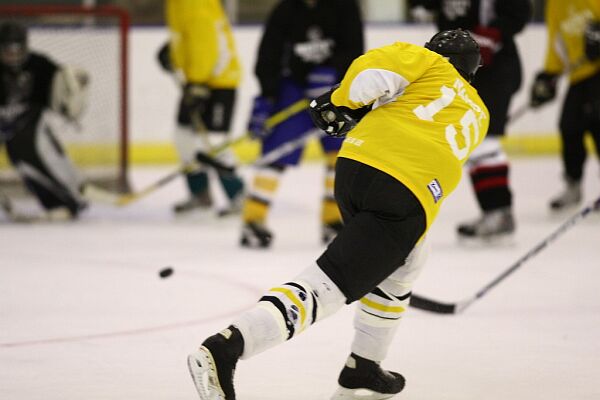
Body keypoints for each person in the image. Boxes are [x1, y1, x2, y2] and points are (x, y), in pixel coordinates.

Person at [186, 30, 488, 399]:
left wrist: (338, 102)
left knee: (407, 261)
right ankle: (227, 347)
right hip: (405, 193)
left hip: (356, 168)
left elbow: (371, 73)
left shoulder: (424, 61)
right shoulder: (478, 112)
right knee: (330, 283)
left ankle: (364, 365)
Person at [240, 0, 364, 248]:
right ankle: (253, 219)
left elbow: (355, 49)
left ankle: (333, 220)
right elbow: (268, 55)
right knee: (275, 152)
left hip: (333, 88)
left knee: (340, 154)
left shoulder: (345, 6)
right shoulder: (285, 9)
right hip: (292, 88)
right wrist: (268, 95)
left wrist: (335, 73)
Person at [409, 0, 531, 239]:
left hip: (494, 70)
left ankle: (499, 212)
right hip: (459, 68)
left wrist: (492, 33)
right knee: (475, 144)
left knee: (485, 143)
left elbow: (519, 12)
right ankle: (495, 212)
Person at [161, 0, 245, 215]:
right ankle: (200, 194)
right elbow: (187, 35)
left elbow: (206, 41)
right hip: (197, 80)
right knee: (184, 137)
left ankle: (239, 195)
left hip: (219, 81)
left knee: (214, 142)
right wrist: (174, 53)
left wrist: (197, 83)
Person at [0, 21, 89, 220]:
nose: (13, 57)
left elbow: (65, 84)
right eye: (8, 51)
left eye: (17, 50)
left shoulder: (40, 65)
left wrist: (73, 95)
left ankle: (64, 197)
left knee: (27, 157)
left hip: (28, 128)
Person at [530, 0, 600, 211]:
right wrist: (550, 74)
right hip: (579, 76)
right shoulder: (554, 4)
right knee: (569, 126)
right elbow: (557, 42)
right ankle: (573, 184)